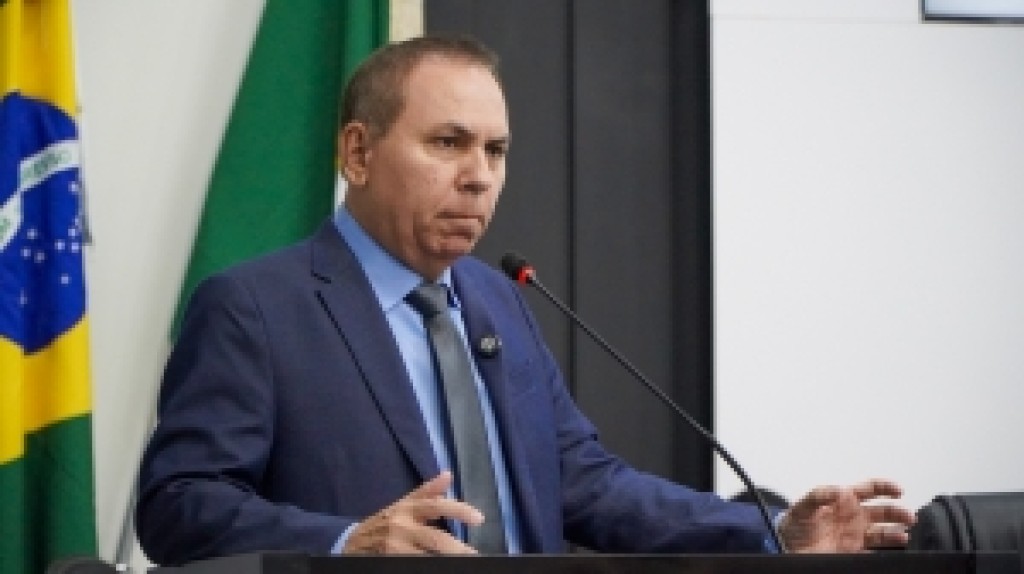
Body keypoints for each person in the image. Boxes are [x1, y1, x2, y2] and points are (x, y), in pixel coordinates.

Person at [135, 34, 915, 565]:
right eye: (448, 143)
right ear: (359, 152)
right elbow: (178, 505)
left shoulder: (496, 300)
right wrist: (348, 543)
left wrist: (769, 531)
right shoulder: (255, 307)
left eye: (496, 150)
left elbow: (586, 484)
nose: (479, 176)